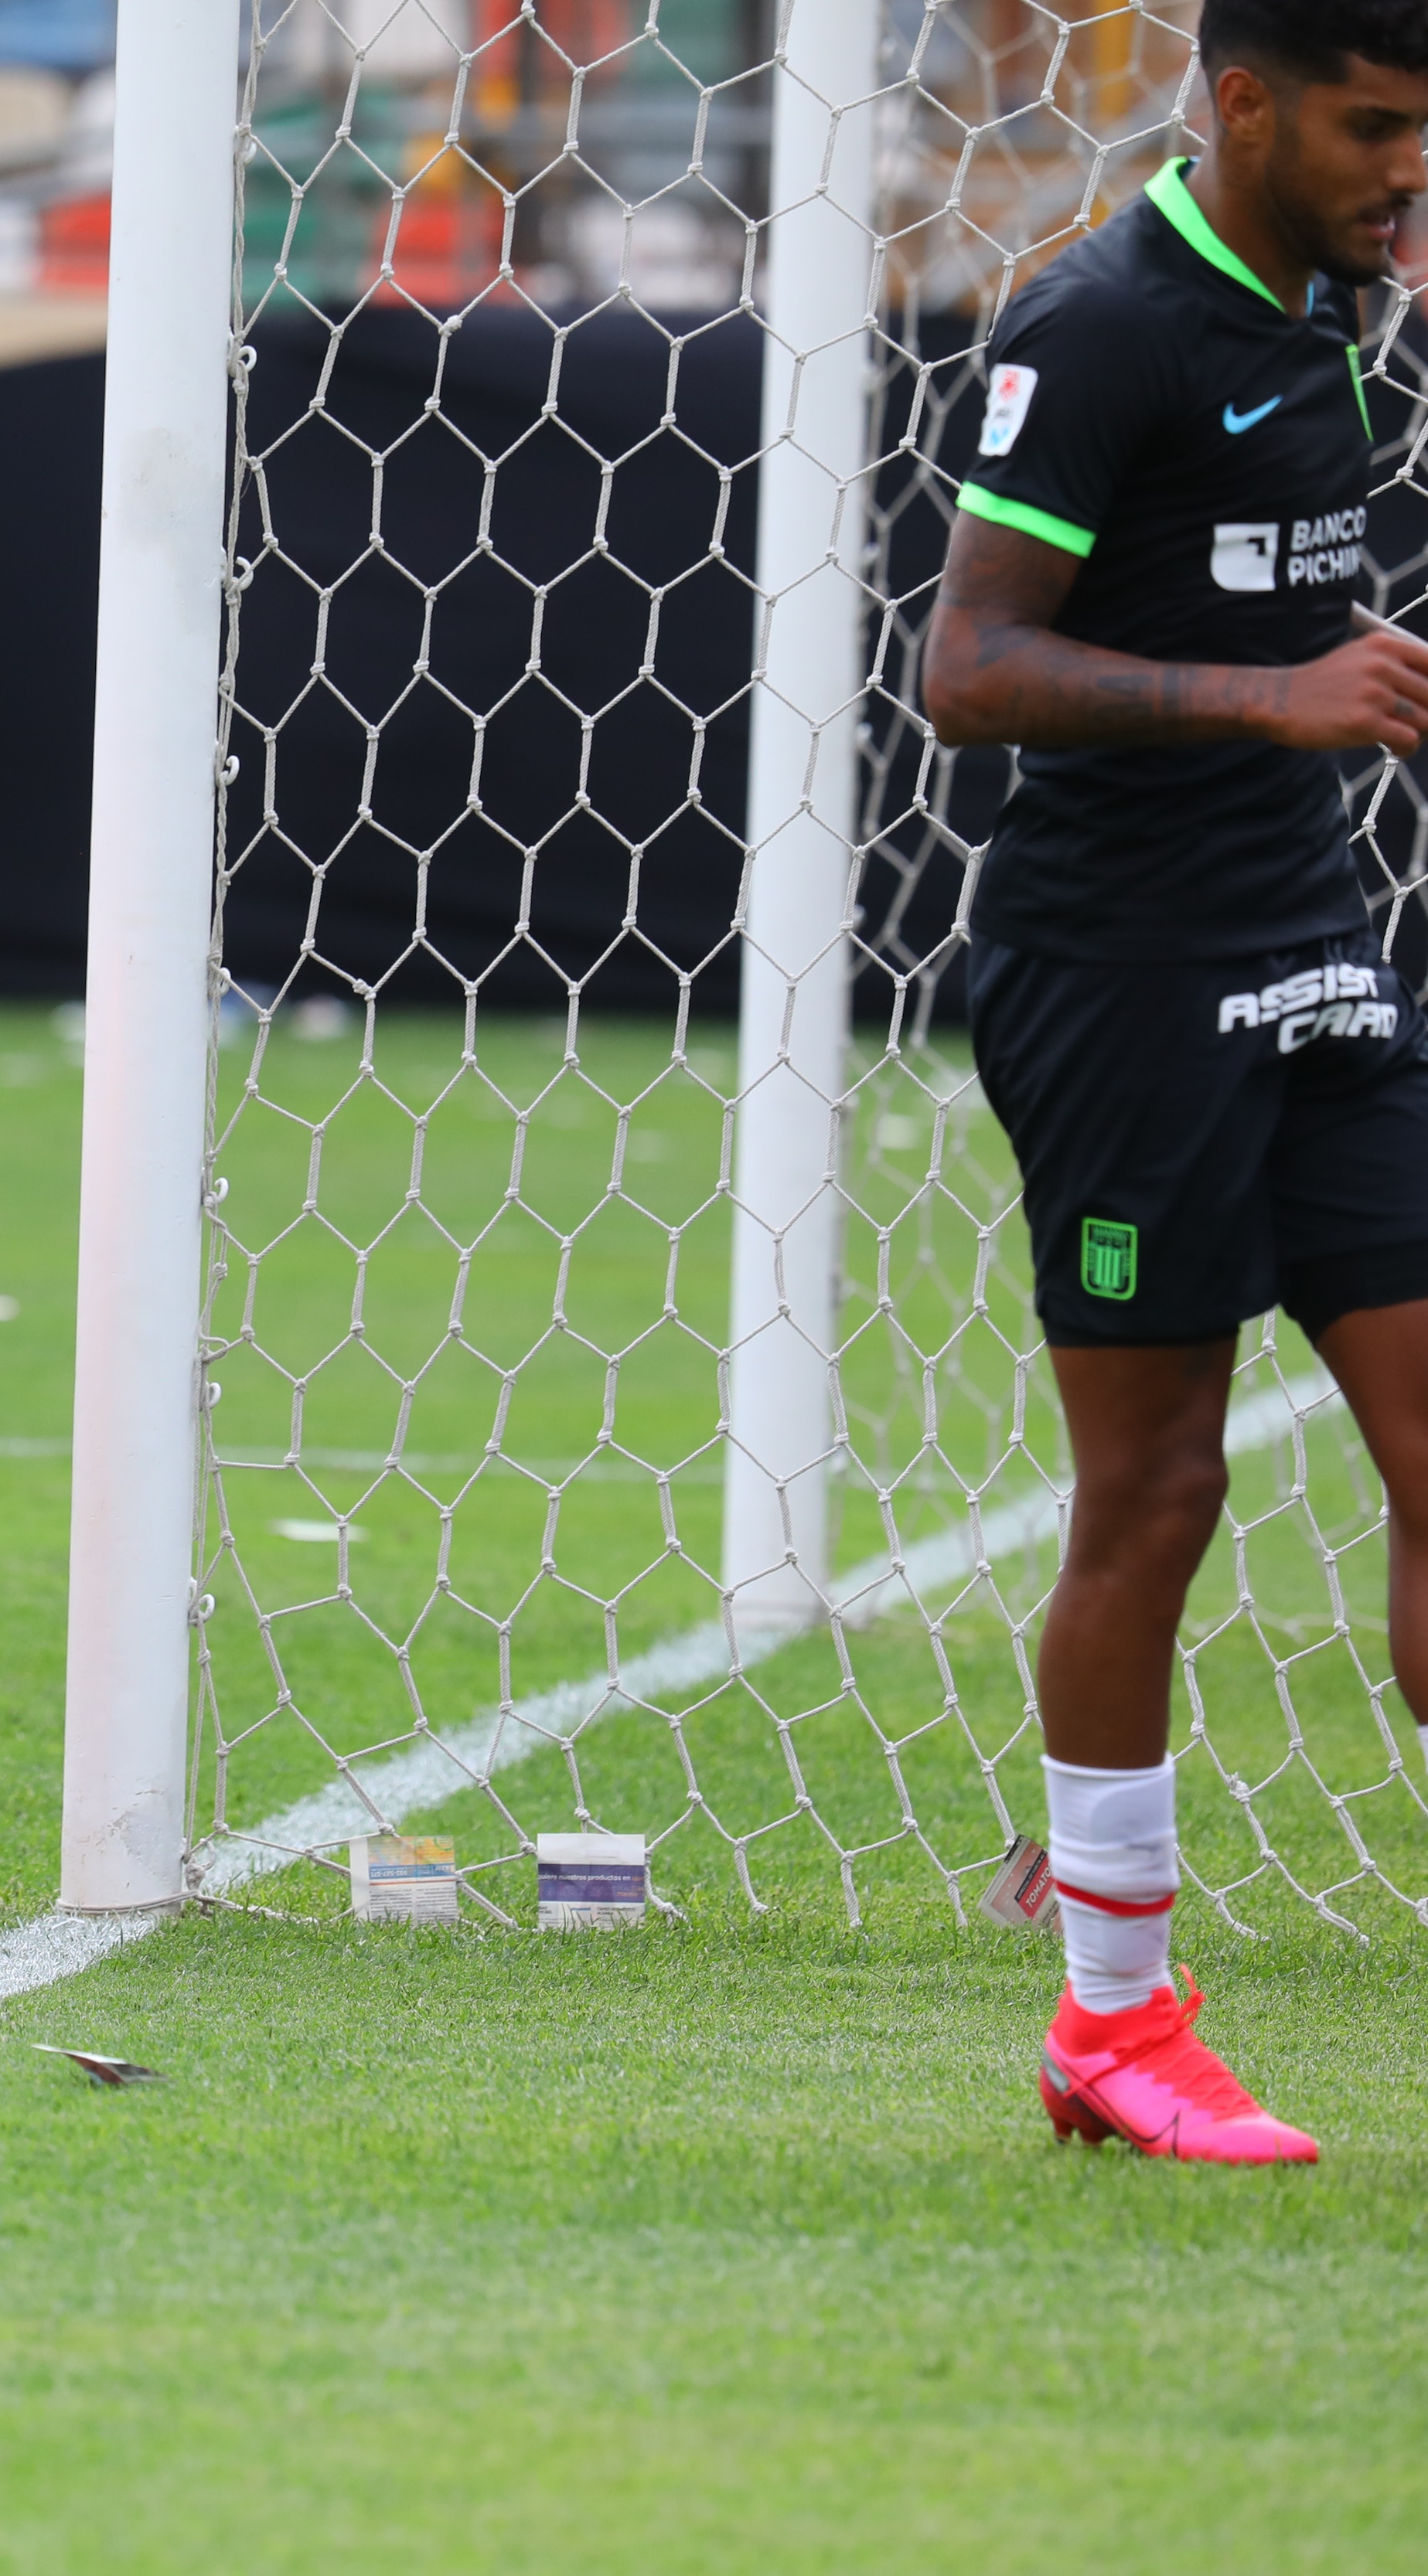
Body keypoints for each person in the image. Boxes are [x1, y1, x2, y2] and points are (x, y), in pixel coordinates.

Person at [920, 0, 1428, 2167]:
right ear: (1244, 104)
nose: (1410, 165)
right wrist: (1272, 696)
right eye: (1377, 124)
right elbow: (966, 669)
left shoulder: (1337, 310)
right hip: (1117, 982)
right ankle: (1111, 2022)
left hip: (1316, 949)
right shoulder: (1102, 324)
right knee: (1161, 1493)